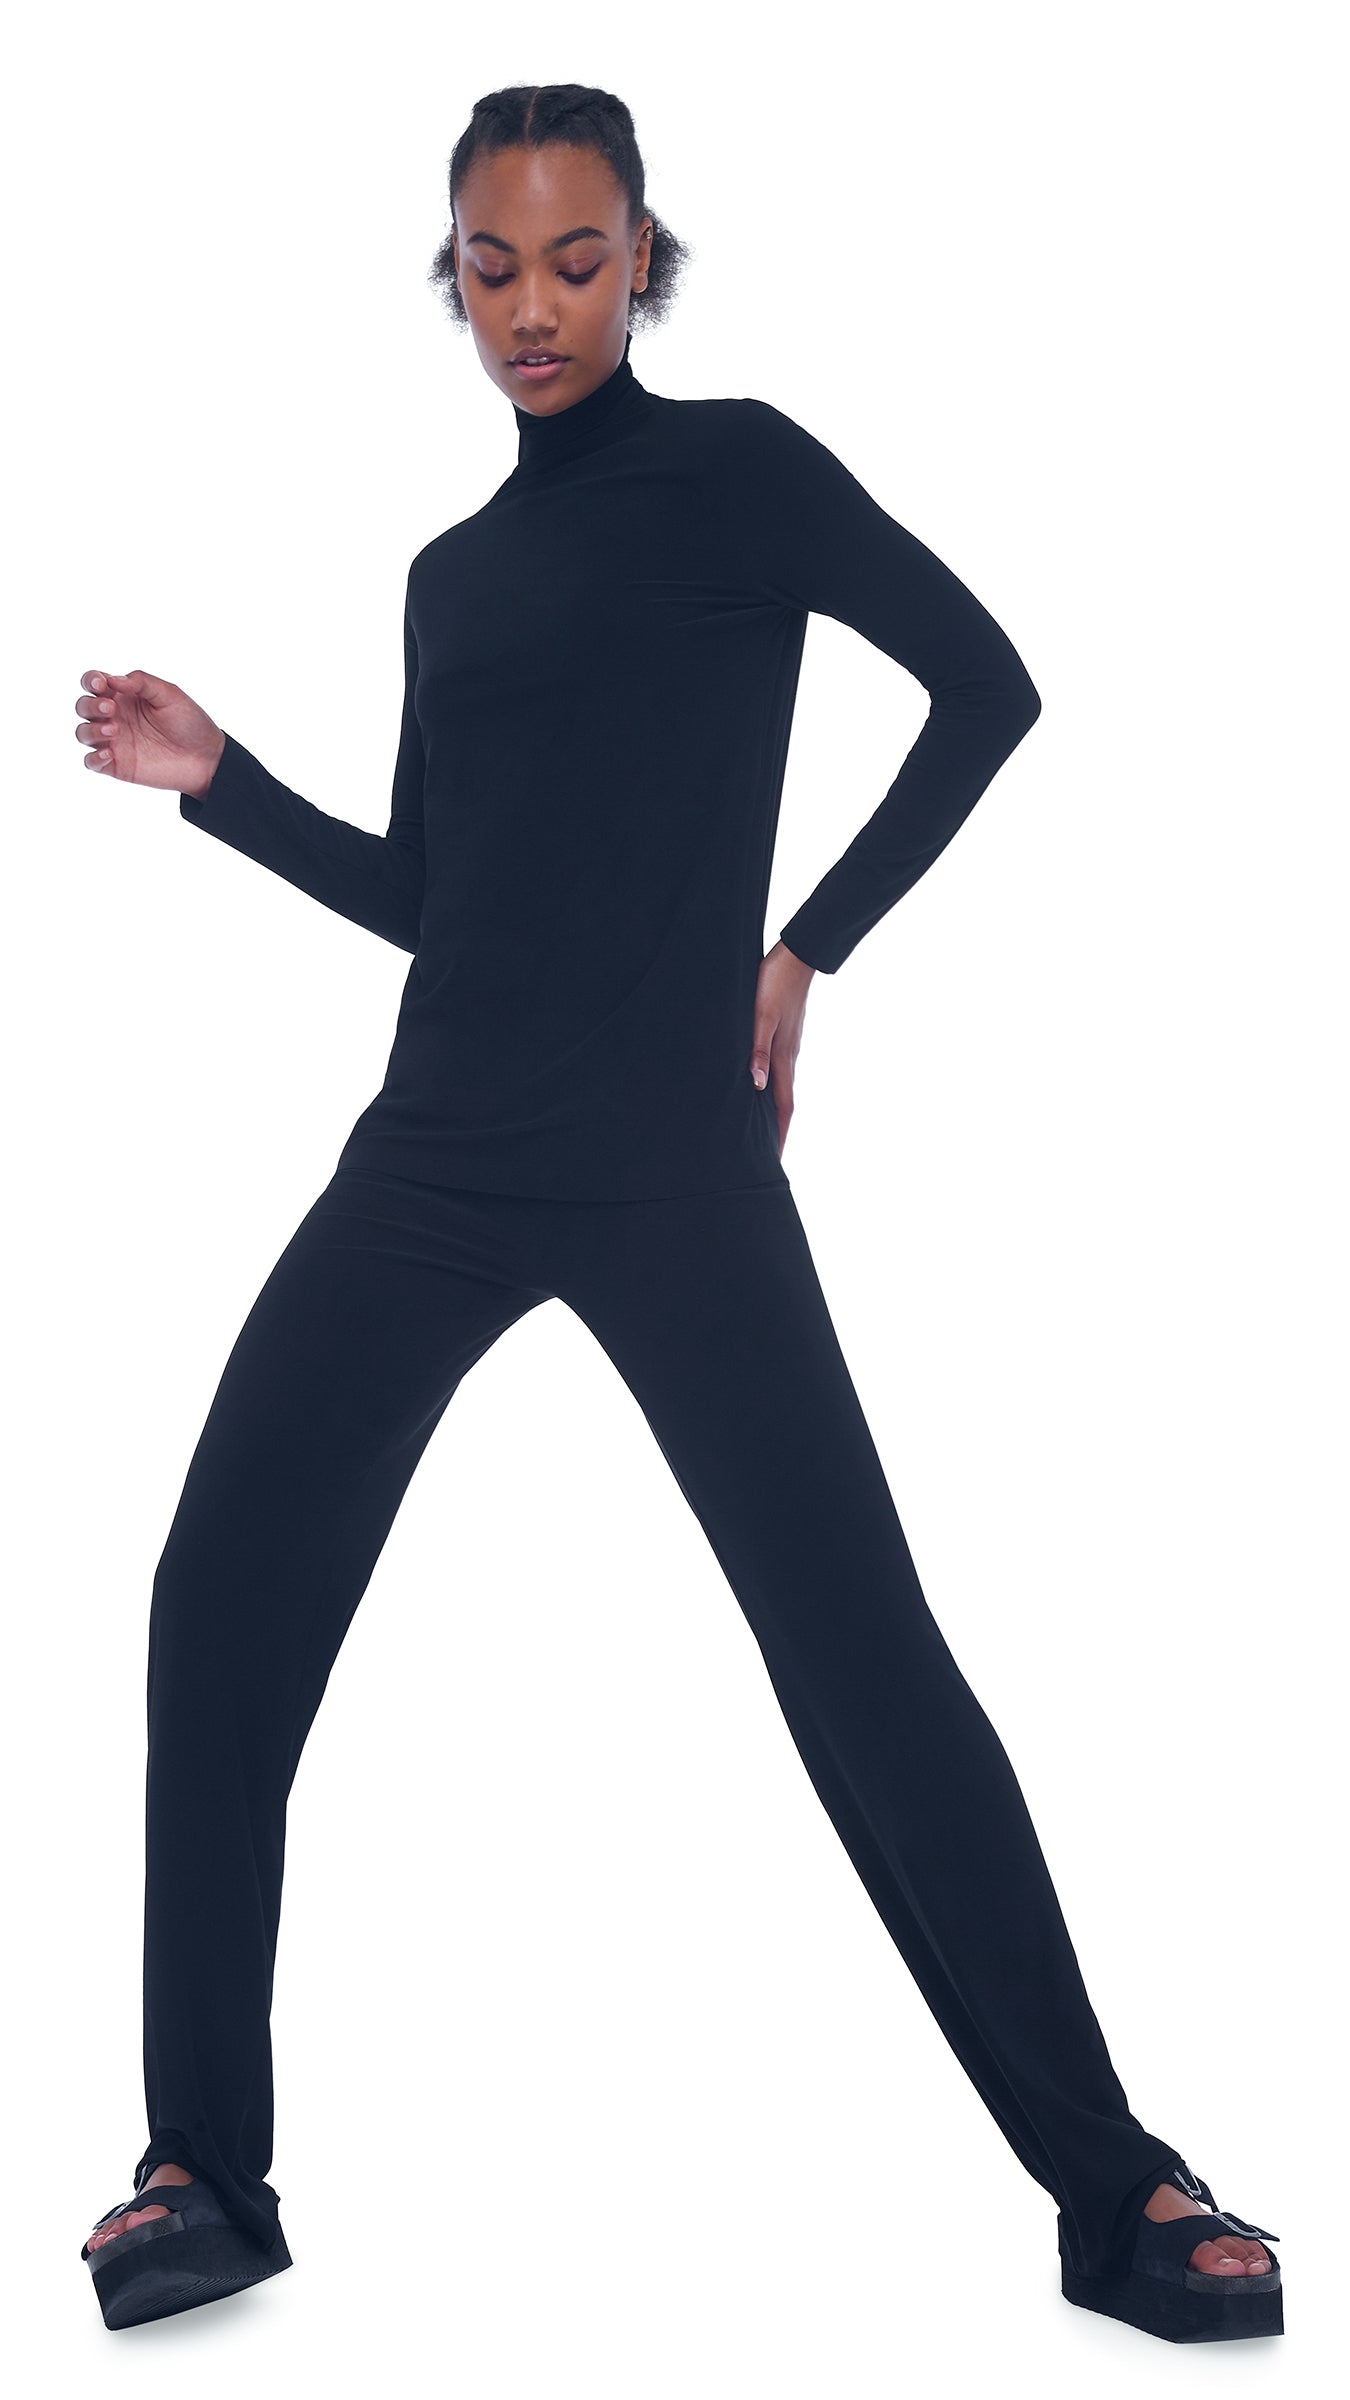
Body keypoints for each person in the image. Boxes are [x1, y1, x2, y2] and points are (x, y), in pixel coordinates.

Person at [73, 83, 1282, 2344]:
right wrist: (221, 785)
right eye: (492, 266)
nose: (533, 306)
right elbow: (441, 899)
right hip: (436, 1155)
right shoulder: (452, 577)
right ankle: (202, 2171)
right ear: (452, 276)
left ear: (644, 258)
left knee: (864, 1662)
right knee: (217, 1598)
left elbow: (987, 687)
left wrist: (806, 946)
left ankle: (1117, 2189)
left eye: (577, 257)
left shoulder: (740, 477)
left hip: (671, 1165)